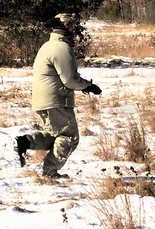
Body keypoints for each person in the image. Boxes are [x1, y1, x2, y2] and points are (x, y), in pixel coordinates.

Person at [14, 13, 102, 178]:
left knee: (54, 136)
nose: (74, 29)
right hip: (56, 100)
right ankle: (50, 172)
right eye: (72, 26)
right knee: (69, 137)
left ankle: (24, 142)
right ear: (66, 27)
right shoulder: (62, 47)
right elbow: (70, 79)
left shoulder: (47, 45)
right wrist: (88, 86)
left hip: (42, 100)